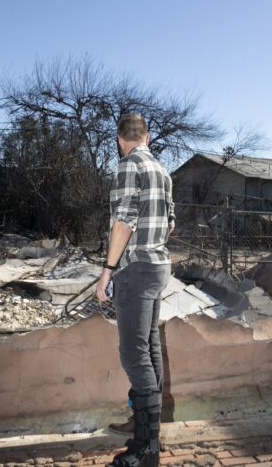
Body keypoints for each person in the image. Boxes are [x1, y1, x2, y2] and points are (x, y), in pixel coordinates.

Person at [96, 112, 174, 467]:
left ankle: (146, 447)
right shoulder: (162, 170)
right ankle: (147, 431)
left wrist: (108, 270)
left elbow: (123, 222)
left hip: (137, 271)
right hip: (159, 266)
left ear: (119, 138)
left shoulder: (129, 166)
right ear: (148, 135)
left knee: (133, 353)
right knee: (150, 348)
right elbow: (170, 222)